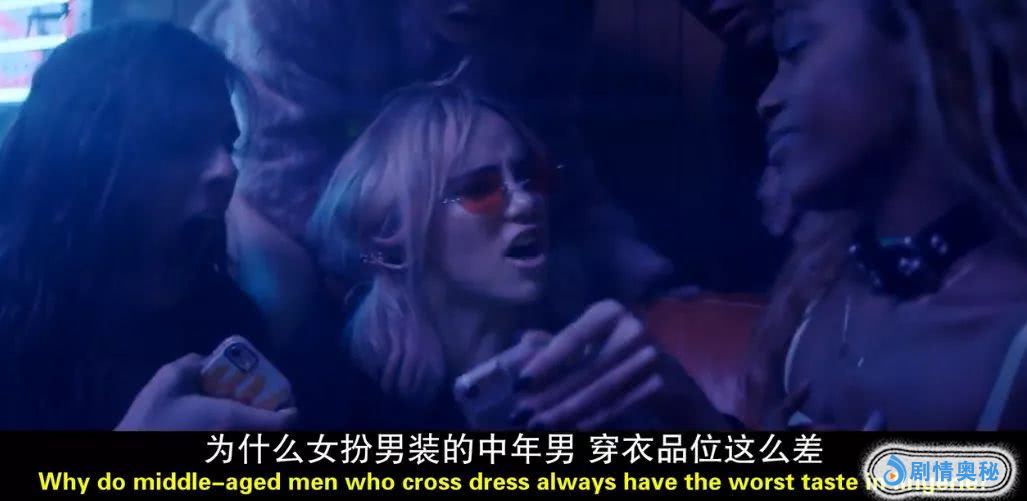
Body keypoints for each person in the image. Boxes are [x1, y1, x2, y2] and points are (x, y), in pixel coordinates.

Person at [683, 0, 1027, 430]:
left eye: (796, 48)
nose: (767, 100)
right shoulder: (809, 311)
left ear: (925, 42)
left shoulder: (1012, 341)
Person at [307, 82, 720, 429]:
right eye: (479, 189)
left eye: (530, 178)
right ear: (394, 231)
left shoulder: (586, 372)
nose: (526, 202)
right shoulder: (341, 391)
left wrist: (689, 408)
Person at [0, 22, 296, 430]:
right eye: (180, 141)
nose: (226, 169)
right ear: (78, 162)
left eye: (227, 143)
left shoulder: (225, 321)